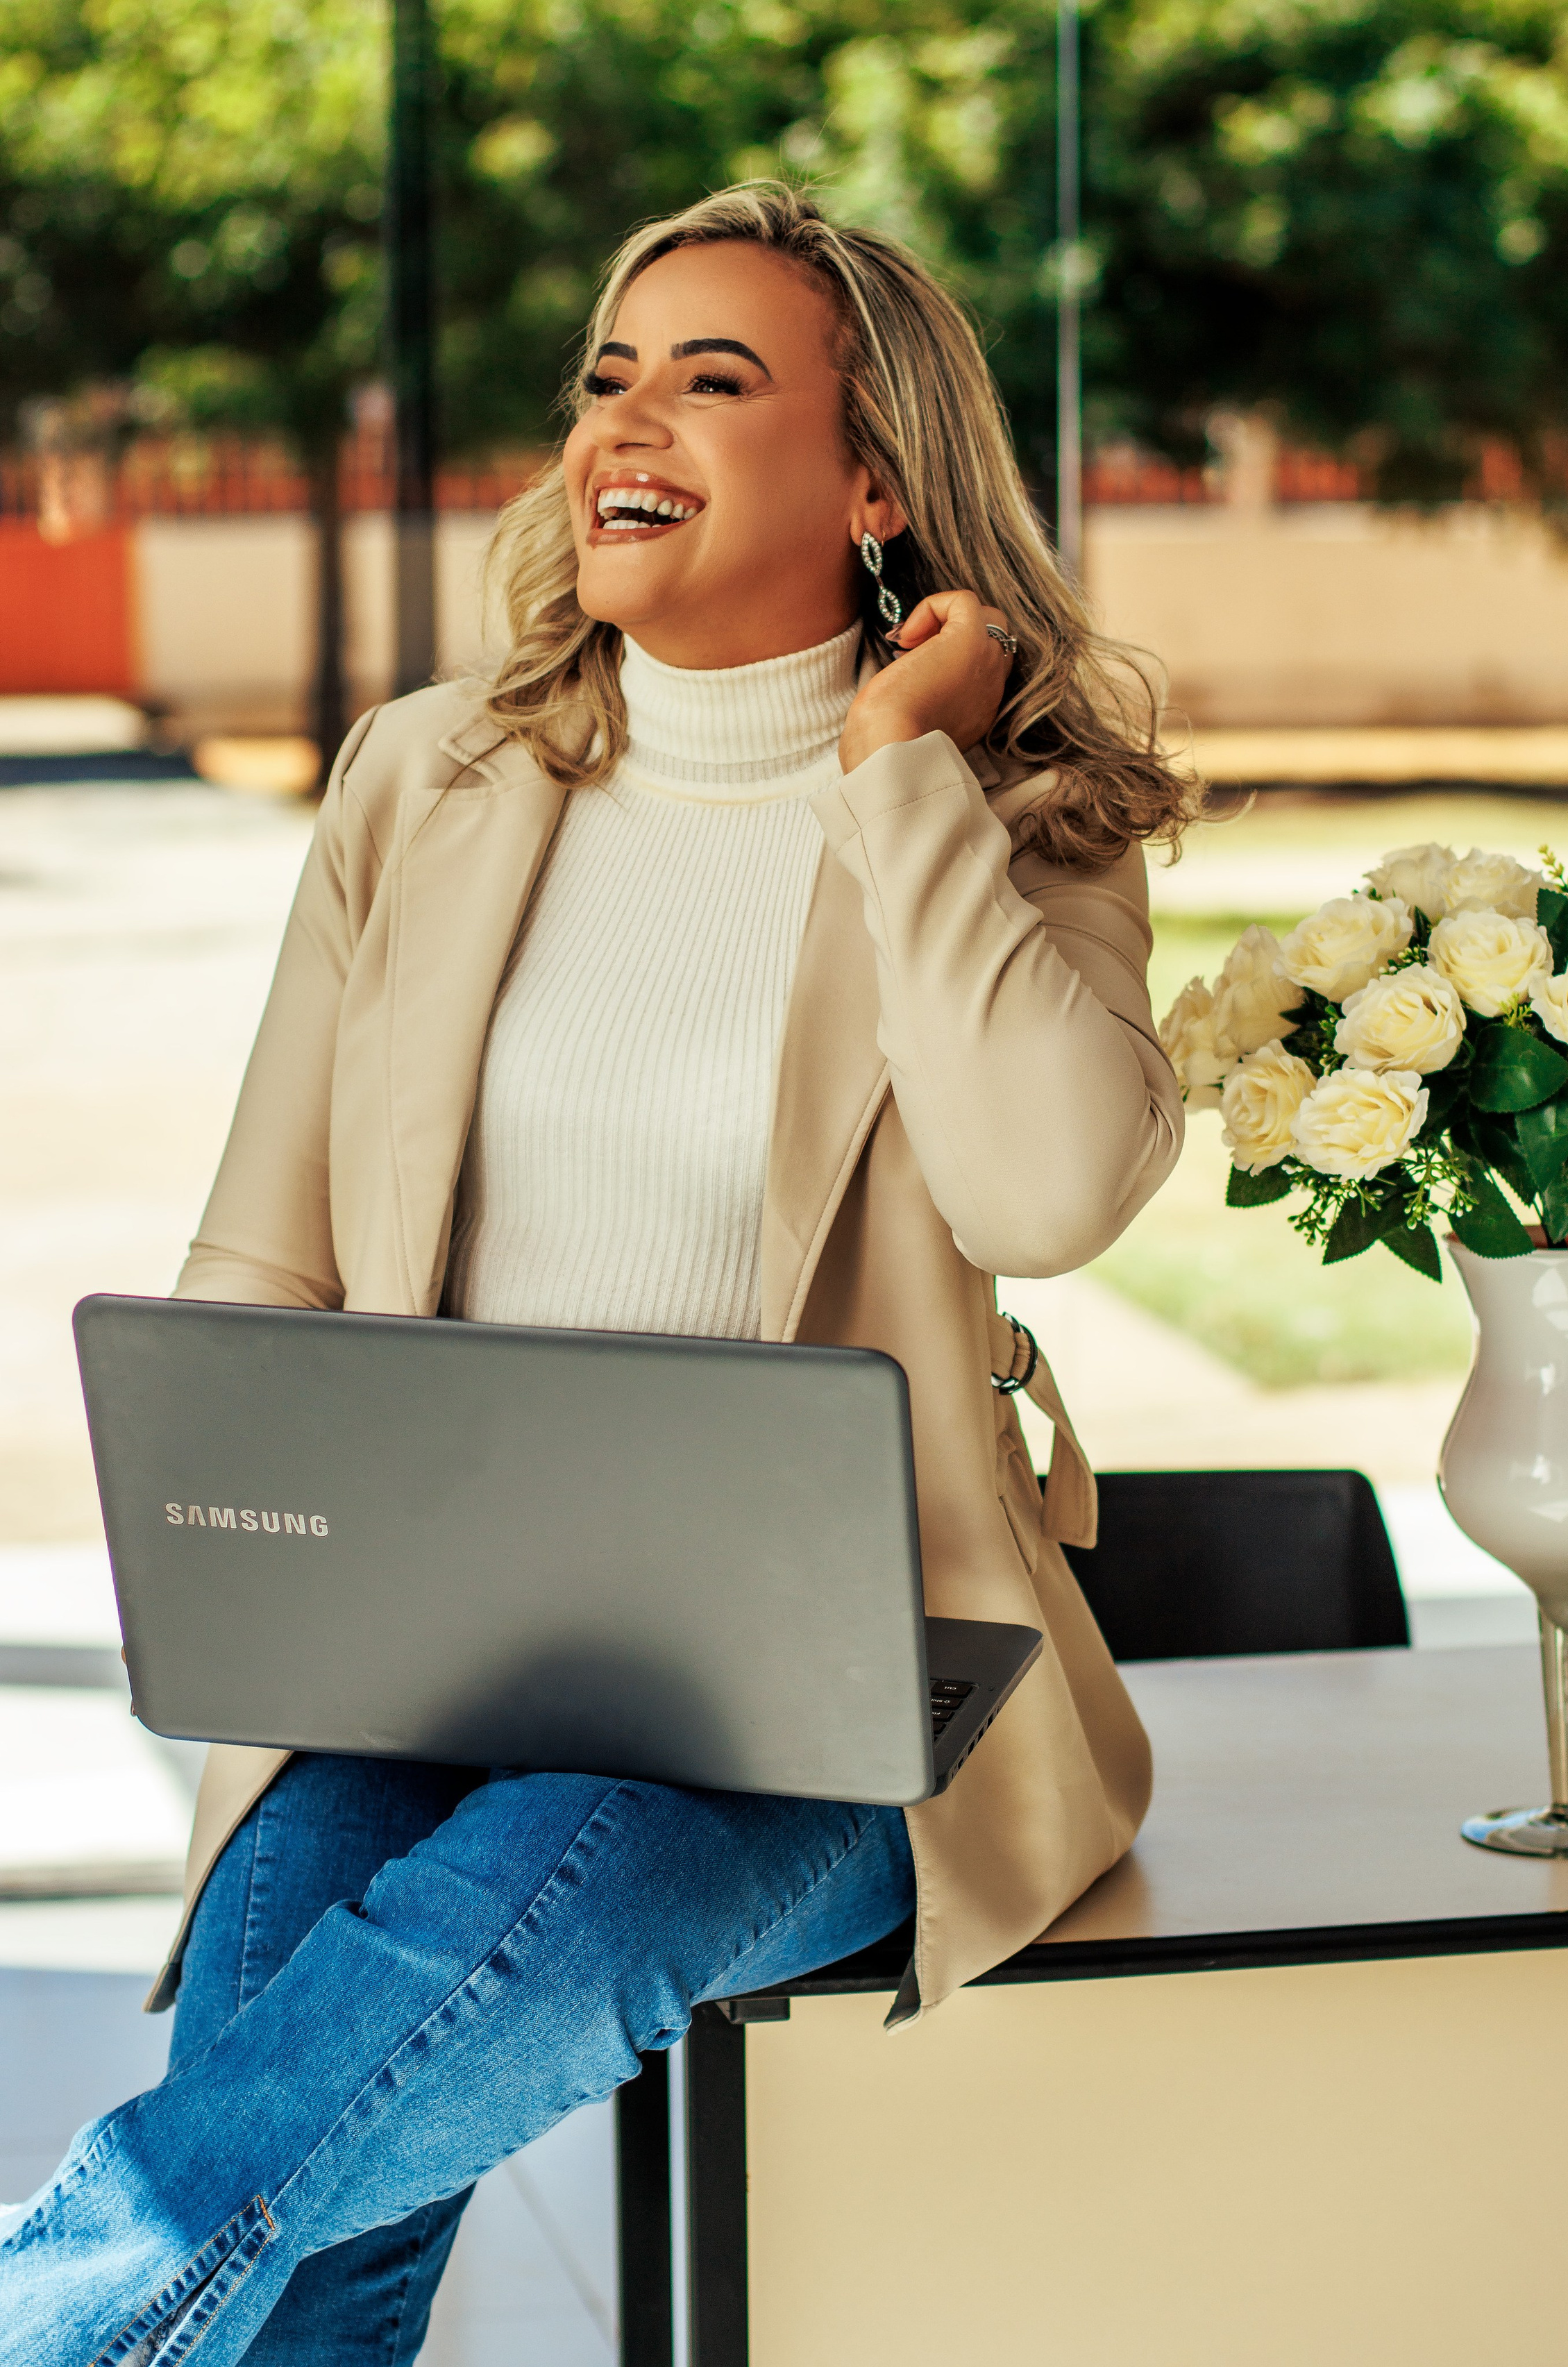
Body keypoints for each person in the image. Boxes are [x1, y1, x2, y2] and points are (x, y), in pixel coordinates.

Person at [1, 180, 1193, 2364]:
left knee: (401, 2006)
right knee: (327, 2119)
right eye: (607, 375)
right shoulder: (428, 776)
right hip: (418, 1653)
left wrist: (898, 781)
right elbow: (267, 1249)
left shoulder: (1022, 819)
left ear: (876, 482)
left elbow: (1046, 1191)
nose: (625, 422)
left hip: (840, 1716)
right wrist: (243, 1563)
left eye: (712, 380)